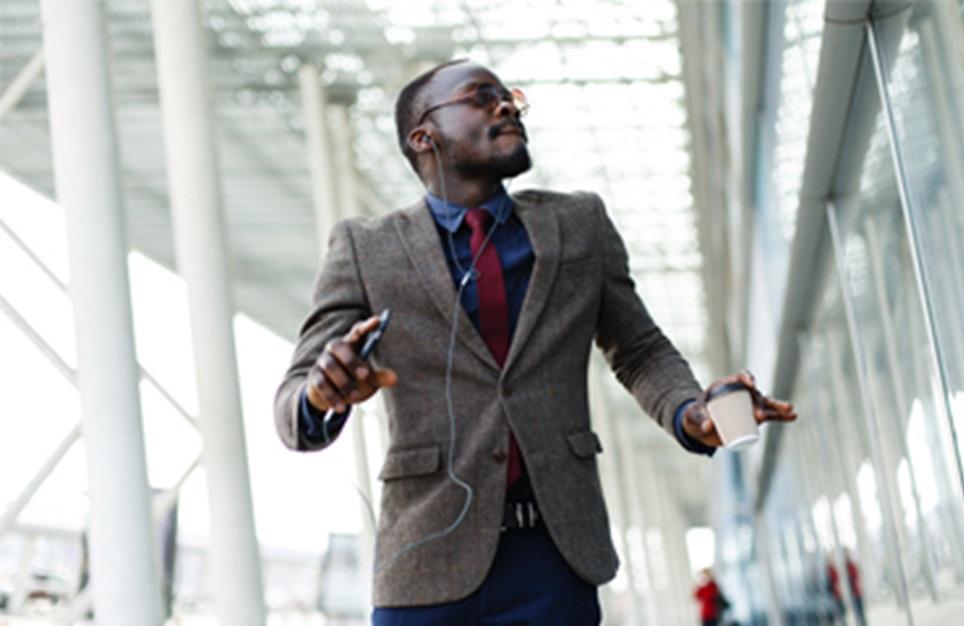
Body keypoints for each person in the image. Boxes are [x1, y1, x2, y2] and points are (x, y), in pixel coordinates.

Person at [273, 58, 798, 625]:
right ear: (424, 136)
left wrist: (692, 411)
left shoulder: (579, 223)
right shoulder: (365, 248)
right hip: (425, 565)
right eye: (481, 97)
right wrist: (321, 397)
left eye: (510, 98)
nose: (506, 106)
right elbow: (293, 400)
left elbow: (640, 349)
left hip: (555, 558)